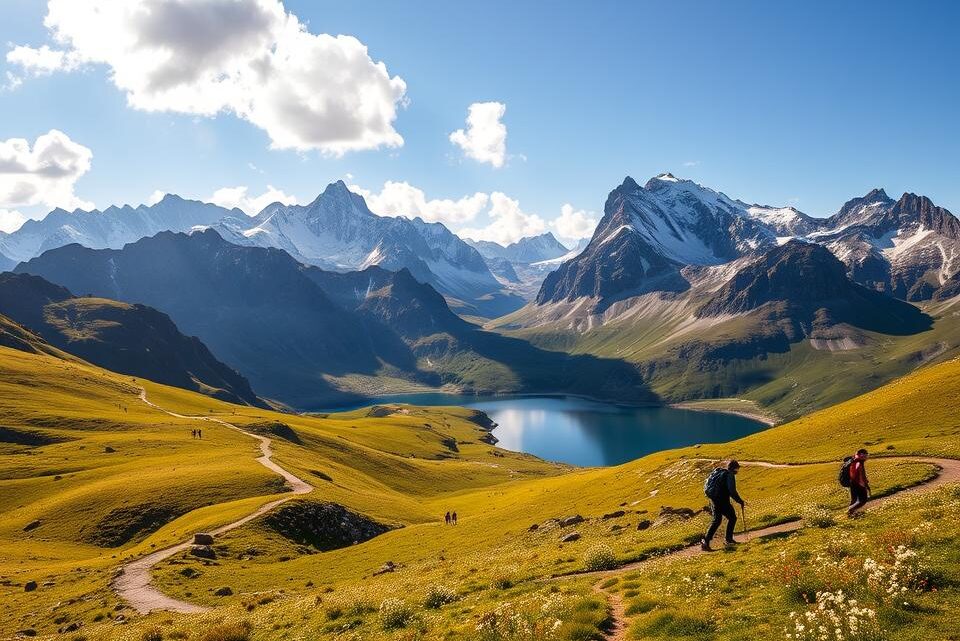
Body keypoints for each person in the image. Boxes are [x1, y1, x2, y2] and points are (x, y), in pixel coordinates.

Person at [701, 460, 746, 551]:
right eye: (737, 468)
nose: (738, 470)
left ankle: (706, 541)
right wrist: (740, 501)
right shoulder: (730, 475)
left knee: (717, 520)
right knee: (732, 518)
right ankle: (728, 539)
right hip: (722, 500)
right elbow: (732, 491)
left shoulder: (719, 472)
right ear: (734, 468)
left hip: (714, 499)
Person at [847, 449, 870, 516]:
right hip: (858, 484)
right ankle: (851, 510)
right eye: (865, 455)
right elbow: (860, 474)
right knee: (863, 500)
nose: (866, 457)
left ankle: (850, 514)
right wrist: (864, 484)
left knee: (854, 500)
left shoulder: (854, 460)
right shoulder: (859, 463)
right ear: (861, 455)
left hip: (852, 483)